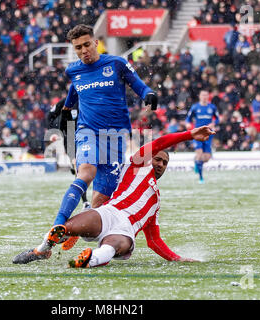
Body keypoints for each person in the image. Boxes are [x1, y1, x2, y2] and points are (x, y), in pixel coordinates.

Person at [18, 24, 158, 257]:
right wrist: (66, 107)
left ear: (95, 42)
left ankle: (72, 232)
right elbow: (76, 89)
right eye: (78, 48)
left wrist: (148, 94)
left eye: (86, 44)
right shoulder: (74, 70)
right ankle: (49, 239)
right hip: (87, 132)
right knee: (86, 172)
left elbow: (137, 83)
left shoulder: (116, 63)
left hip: (115, 137)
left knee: (100, 202)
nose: (83, 50)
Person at [12, 125, 215, 266]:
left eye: (164, 163)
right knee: (69, 226)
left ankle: (88, 259)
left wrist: (176, 258)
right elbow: (160, 142)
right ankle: (43, 248)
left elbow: (154, 241)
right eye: (157, 159)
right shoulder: (137, 166)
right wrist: (189, 135)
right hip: (108, 213)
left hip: (125, 228)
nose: (160, 164)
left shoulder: (156, 203)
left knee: (114, 244)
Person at [185, 89, 220, 184]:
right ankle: (201, 178)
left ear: (208, 96)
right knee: (199, 153)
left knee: (207, 157)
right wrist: (188, 124)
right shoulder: (195, 107)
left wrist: (213, 123)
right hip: (198, 133)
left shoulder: (212, 107)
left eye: (206, 95)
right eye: (203, 95)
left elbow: (217, 119)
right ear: (200, 96)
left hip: (208, 133)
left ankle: (197, 162)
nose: (204, 97)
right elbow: (188, 118)